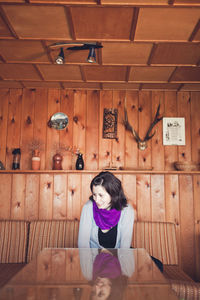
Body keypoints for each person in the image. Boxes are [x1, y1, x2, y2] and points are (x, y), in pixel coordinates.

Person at [78, 171, 134, 249]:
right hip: (93, 257)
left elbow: (125, 247)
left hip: (119, 257)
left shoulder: (127, 210)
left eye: (101, 195)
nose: (96, 200)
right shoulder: (88, 207)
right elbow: (83, 245)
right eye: (94, 194)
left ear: (113, 194)